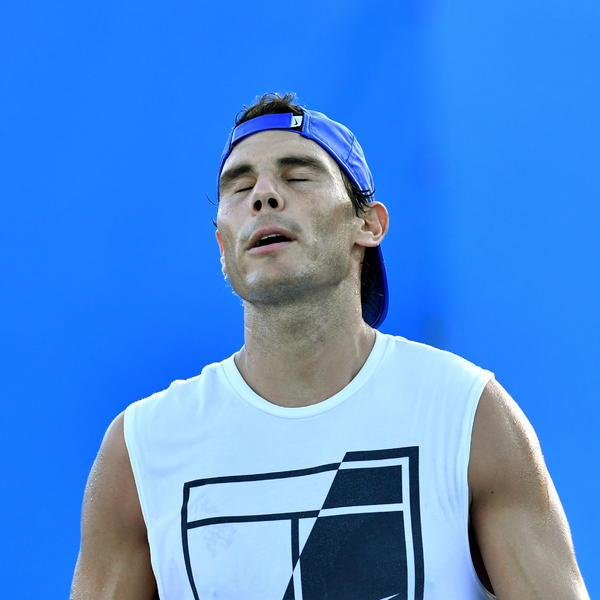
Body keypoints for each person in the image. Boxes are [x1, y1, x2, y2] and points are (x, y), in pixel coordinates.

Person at [71, 92, 589, 600]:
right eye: (240, 186)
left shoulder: (466, 413)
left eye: (297, 177)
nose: (264, 196)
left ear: (368, 224)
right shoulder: (142, 447)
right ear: (222, 246)